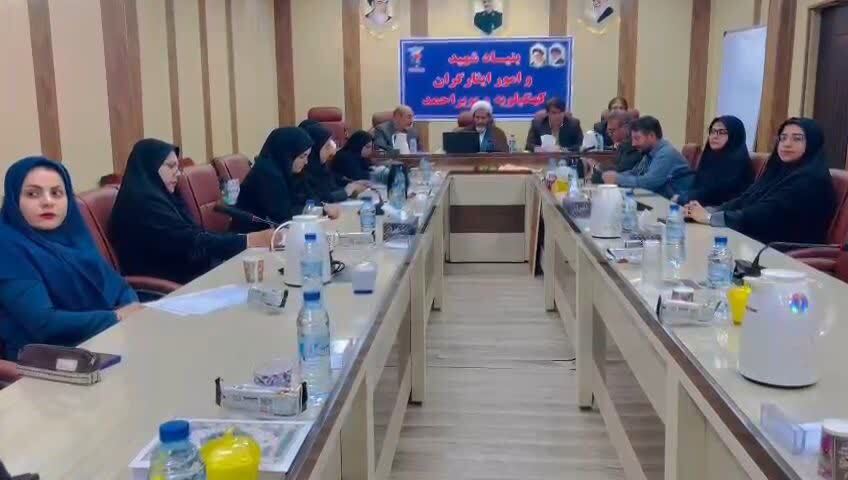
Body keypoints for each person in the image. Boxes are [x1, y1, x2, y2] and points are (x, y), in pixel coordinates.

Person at [0, 157, 141, 361]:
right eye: (33, 194)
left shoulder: (75, 236)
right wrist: (116, 317)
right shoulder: (7, 246)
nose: (48, 202)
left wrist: (131, 308)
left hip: (103, 339)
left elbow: (118, 286)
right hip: (48, 362)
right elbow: (43, 323)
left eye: (57, 193)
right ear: (14, 200)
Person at [111, 139, 273, 283]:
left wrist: (243, 240)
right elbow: (189, 240)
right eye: (170, 166)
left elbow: (194, 234)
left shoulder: (162, 196)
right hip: (168, 285)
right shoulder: (142, 204)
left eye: (178, 167)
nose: (178, 173)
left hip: (190, 272)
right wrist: (247, 240)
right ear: (150, 167)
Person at [685, 118, 836, 245]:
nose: (787, 143)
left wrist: (710, 218)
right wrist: (711, 211)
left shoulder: (811, 179)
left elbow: (764, 213)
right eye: (783, 138)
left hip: (785, 253)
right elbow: (747, 198)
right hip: (758, 241)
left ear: (812, 143)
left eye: (797, 138)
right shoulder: (779, 171)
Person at [234, 127, 327, 232]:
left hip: (274, 233)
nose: (306, 162)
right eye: (302, 156)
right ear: (287, 154)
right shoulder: (266, 174)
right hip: (252, 235)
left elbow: (311, 198)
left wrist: (319, 208)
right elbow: (284, 216)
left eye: (307, 156)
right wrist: (320, 210)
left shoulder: (287, 170)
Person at [602, 116, 693, 197]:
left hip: (676, 204)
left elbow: (650, 183)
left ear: (651, 136)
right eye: (632, 139)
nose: (633, 144)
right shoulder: (649, 152)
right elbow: (636, 173)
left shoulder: (666, 153)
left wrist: (618, 179)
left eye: (637, 138)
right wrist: (614, 176)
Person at [672, 116, 753, 206]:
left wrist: (684, 198)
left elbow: (716, 194)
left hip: (722, 211)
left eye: (722, 132)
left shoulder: (737, 161)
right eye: (713, 131)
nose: (715, 136)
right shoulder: (711, 156)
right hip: (699, 207)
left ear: (734, 135)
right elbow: (699, 186)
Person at [303, 123, 367, 203]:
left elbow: (332, 188)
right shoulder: (305, 172)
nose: (331, 151)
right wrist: (346, 192)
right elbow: (318, 199)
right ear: (315, 148)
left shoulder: (321, 168)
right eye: (327, 146)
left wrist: (352, 186)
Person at [590, 110, 642, 183]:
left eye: (612, 131)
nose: (610, 135)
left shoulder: (636, 146)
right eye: (608, 132)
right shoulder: (622, 146)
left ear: (626, 128)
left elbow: (620, 171)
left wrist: (598, 169)